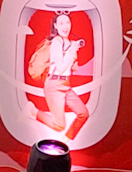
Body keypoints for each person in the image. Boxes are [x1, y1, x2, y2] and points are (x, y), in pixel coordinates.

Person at [27, 10, 90, 141]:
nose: (65, 26)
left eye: (67, 22)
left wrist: (73, 65)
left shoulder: (70, 43)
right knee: (59, 125)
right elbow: (60, 68)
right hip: (54, 84)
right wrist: (71, 51)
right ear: (55, 26)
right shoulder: (56, 41)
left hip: (65, 84)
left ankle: (65, 141)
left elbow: (68, 67)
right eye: (61, 23)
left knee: (83, 113)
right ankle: (34, 111)